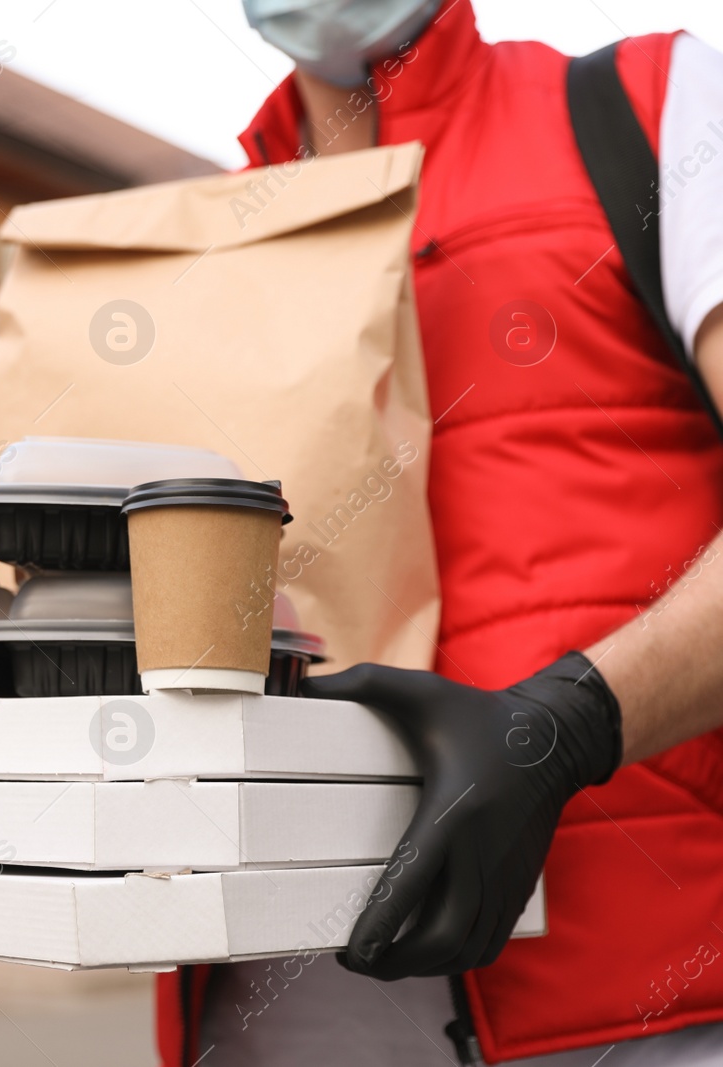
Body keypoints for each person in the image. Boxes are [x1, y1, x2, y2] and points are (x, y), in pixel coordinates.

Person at [155, 1, 723, 1064]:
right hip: (265, 1016)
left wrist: (572, 724)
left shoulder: (651, 110)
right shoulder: (201, 250)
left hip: (638, 1012)